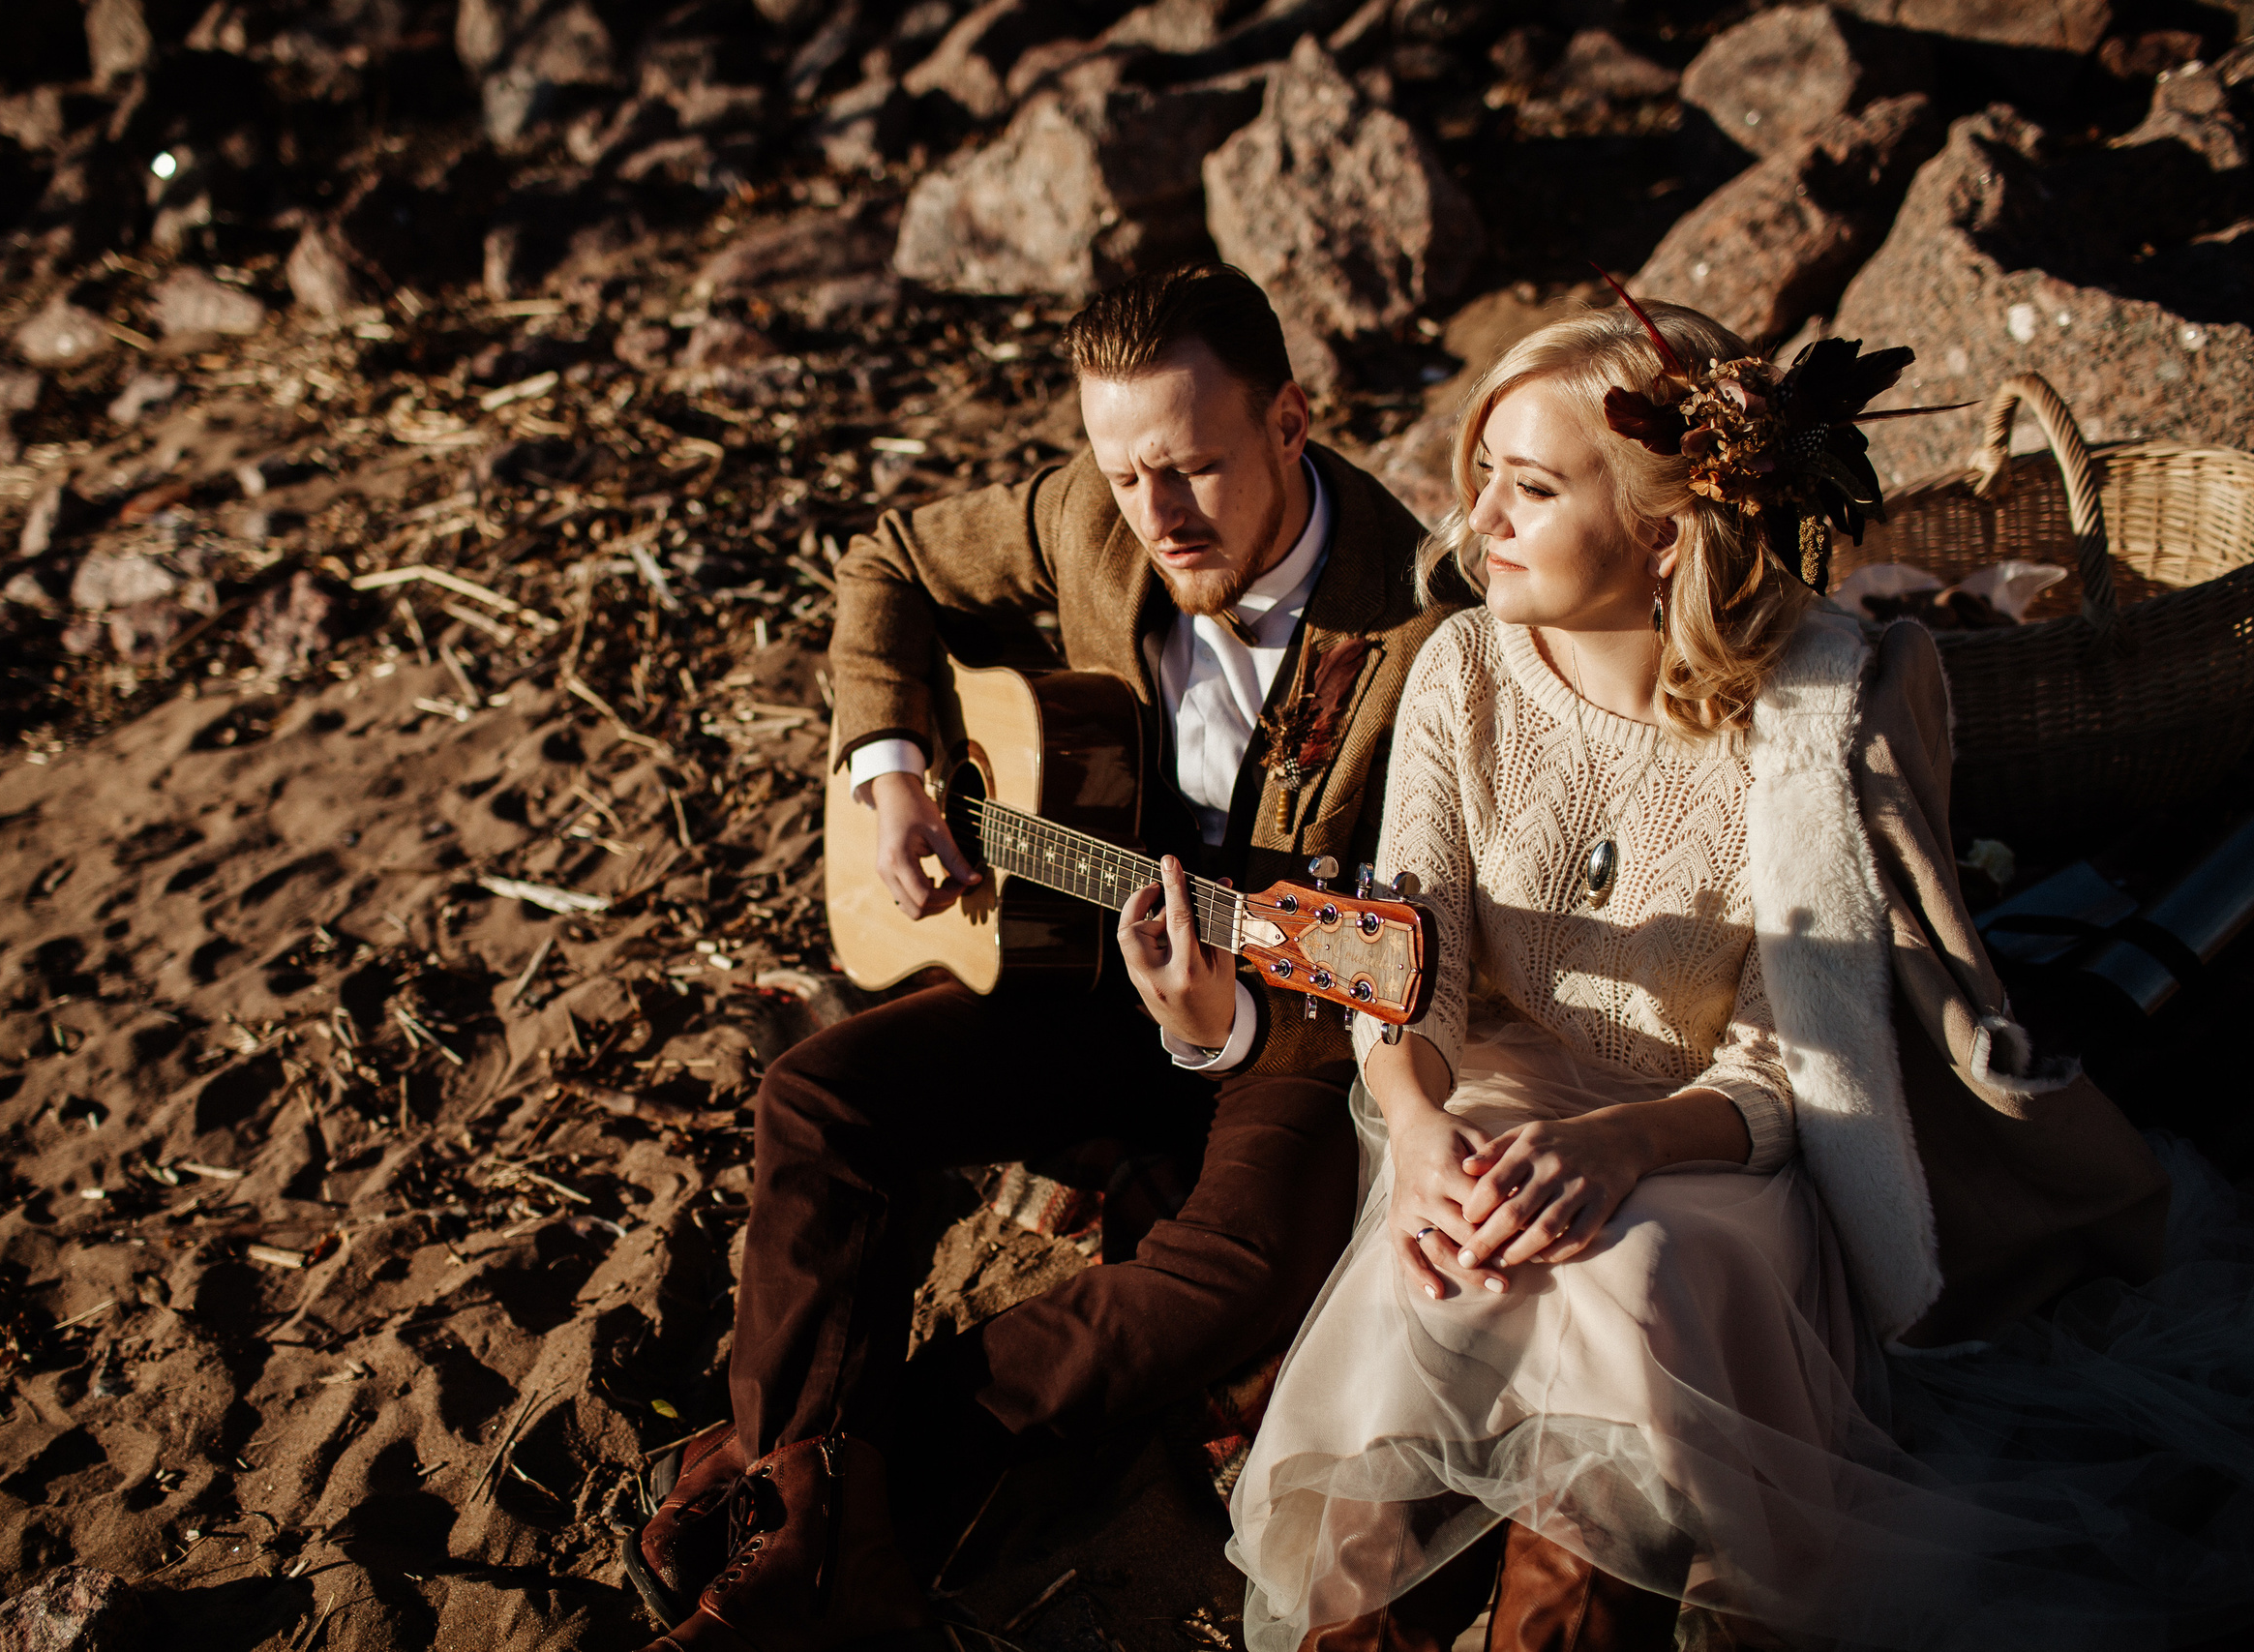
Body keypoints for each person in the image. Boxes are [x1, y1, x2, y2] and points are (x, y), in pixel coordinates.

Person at [1226, 297, 2253, 1651]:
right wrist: (1417, 1134)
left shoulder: (1812, 704)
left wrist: (1623, 1146)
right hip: (1493, 1083)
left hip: (1711, 1133)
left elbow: (1795, 1055)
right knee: (1451, 1261)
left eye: (1529, 487)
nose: (1480, 518)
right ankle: (1358, 1622)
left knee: (1636, 1277)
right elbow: (1410, 963)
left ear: (1664, 531)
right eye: (1482, 475)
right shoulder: (1462, 668)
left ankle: (1566, 1619)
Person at [620, 261, 1480, 1652]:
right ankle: (809, 1519)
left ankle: (817, 1489)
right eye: (1127, 473)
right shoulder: (1097, 514)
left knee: (1236, 1272)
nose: (1158, 516)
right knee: (818, 1099)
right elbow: (887, 557)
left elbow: (1409, 957)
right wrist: (896, 776)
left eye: (1194, 469)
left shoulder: (1421, 635)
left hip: (1292, 1025)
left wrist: (1226, 1030)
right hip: (1079, 972)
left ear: (1292, 421)